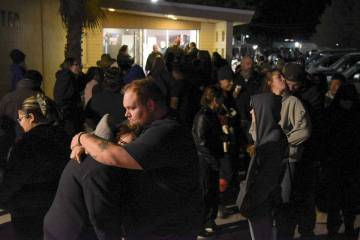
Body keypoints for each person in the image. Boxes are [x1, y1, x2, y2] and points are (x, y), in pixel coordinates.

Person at [69, 79, 203, 239]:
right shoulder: (149, 123)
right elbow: (110, 137)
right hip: (158, 224)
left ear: (151, 105)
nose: (126, 114)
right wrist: (86, 146)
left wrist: (82, 138)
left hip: (169, 229)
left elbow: (112, 155)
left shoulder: (167, 131)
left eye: (131, 108)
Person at [44, 116, 139, 240]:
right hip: (71, 232)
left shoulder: (104, 162)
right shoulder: (100, 167)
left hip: (72, 227)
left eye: (135, 146)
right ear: (112, 143)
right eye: (124, 144)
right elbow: (101, 218)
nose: (128, 152)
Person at [0, 93, 69, 240]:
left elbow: (14, 178)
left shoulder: (26, 145)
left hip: (28, 210)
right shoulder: (64, 137)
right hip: (58, 205)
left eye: (20, 119)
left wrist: (3, 197)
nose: (19, 123)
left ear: (31, 117)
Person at [263, 70, 311, 240]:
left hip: (287, 159)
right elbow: (255, 129)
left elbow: (304, 130)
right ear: (270, 82)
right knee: (268, 203)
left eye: (283, 76)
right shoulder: (263, 102)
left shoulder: (293, 102)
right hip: (267, 160)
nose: (284, 79)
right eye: (279, 77)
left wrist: (283, 142)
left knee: (284, 204)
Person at [237, 92, 288, 240]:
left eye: (255, 108)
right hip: (261, 205)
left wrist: (247, 202)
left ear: (265, 110)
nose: (251, 111)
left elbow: (266, 180)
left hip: (261, 206)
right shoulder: (267, 136)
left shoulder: (272, 142)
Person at [282, 62, 324, 239]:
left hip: (308, 155)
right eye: (288, 84)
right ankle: (287, 230)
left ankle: (307, 231)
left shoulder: (313, 95)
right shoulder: (282, 92)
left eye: (295, 85)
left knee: (306, 197)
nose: (291, 88)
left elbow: (313, 127)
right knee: (287, 198)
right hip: (288, 156)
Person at [192, 86, 232, 238]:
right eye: (220, 100)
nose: (222, 103)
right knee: (205, 193)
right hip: (205, 162)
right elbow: (200, 142)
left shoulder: (211, 115)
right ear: (214, 99)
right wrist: (213, 161)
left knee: (213, 192)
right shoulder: (203, 116)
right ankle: (202, 224)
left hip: (212, 159)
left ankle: (210, 221)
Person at [321, 84, 360, 239]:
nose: (346, 103)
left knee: (349, 200)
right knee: (335, 200)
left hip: (351, 164)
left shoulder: (354, 113)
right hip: (335, 163)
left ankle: (347, 226)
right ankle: (333, 229)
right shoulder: (331, 113)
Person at [54, 57, 85, 136]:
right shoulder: (66, 76)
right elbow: (61, 96)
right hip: (68, 113)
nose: (79, 67)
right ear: (69, 66)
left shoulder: (71, 76)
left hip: (70, 112)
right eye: (76, 65)